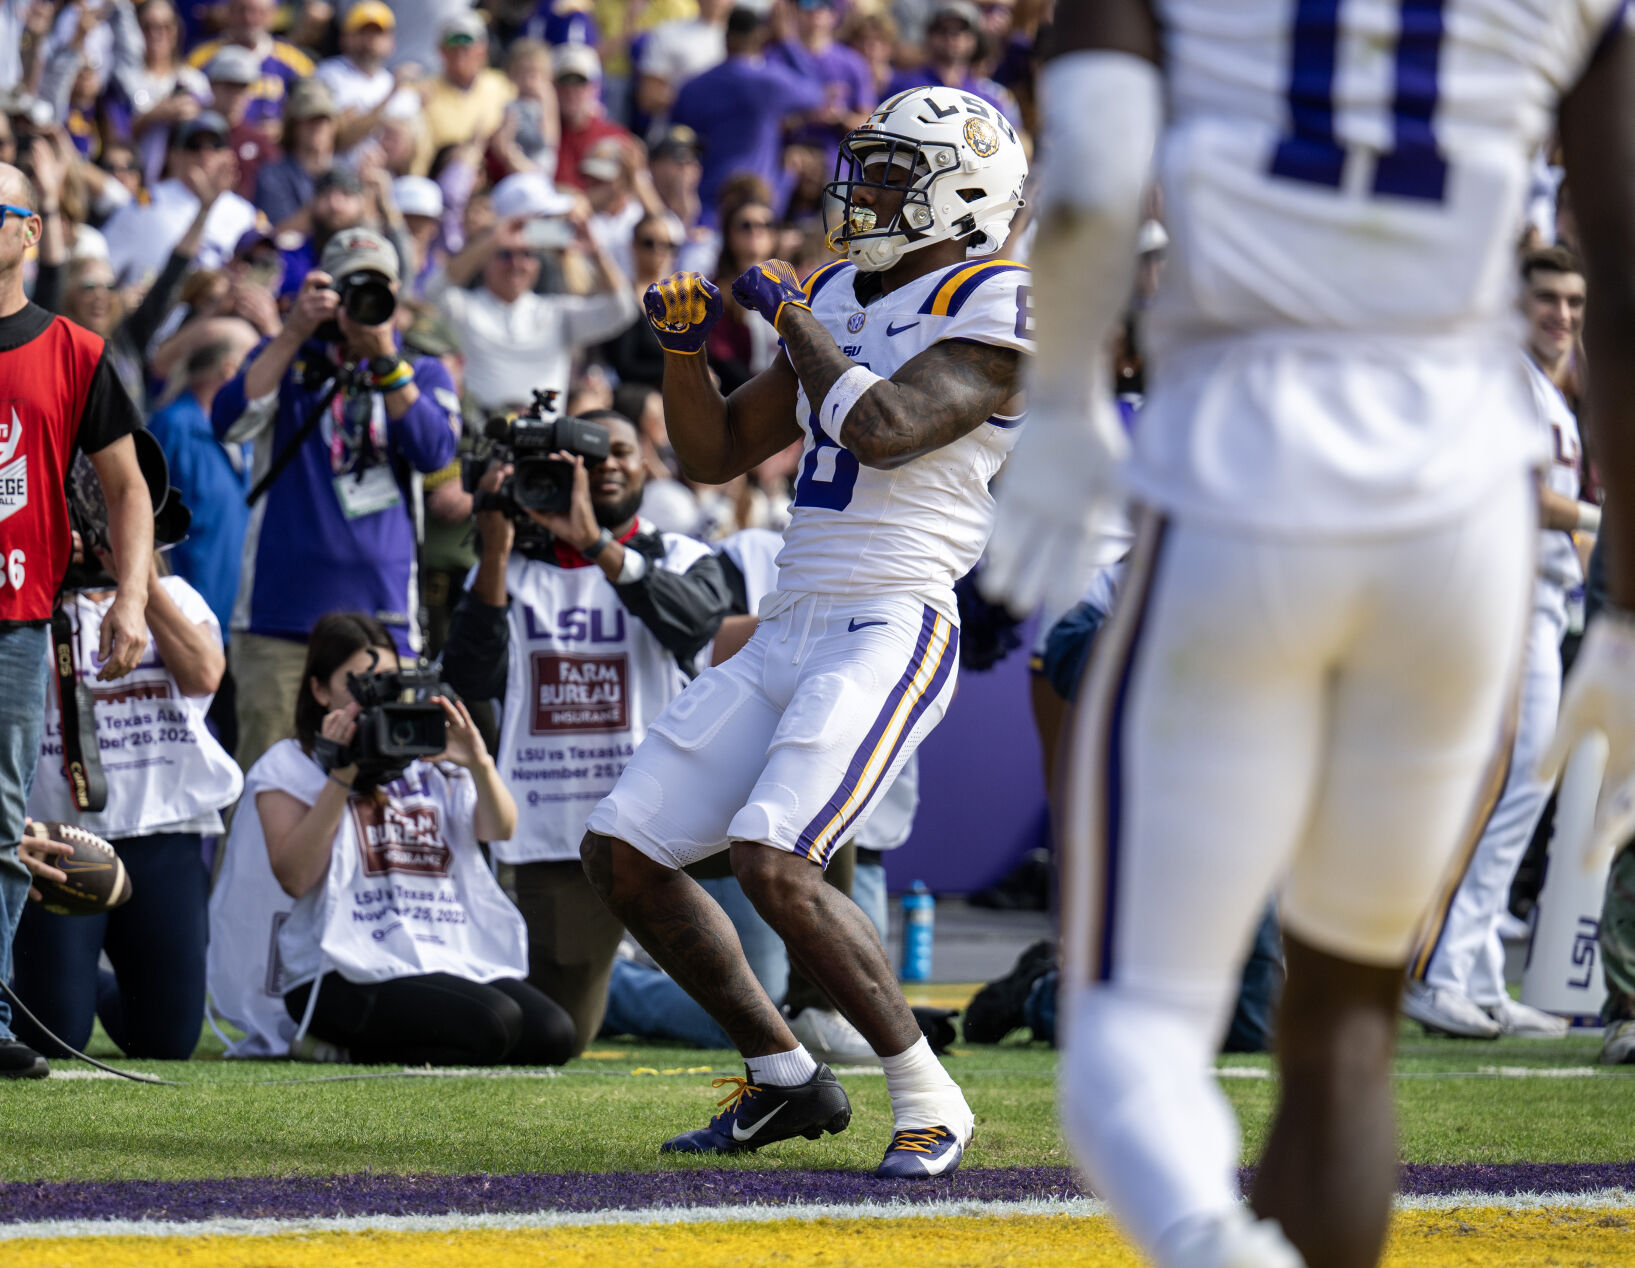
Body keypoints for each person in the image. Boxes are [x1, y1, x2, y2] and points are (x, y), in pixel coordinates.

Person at [979, 3, 1635, 1266]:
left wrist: (1061, 400)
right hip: (1464, 504)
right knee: (1343, 1035)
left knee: (1131, 1039)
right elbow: (1627, 266)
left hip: (1244, 462)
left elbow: (1098, 177)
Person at [581, 83, 1030, 1178]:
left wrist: (791, 316)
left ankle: (930, 1096)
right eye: (866, 168)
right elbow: (720, 452)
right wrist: (687, 350)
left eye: (891, 176)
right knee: (624, 850)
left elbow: (883, 428)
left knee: (776, 857)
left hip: (894, 610)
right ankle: (784, 1077)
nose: (863, 192)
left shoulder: (1002, 298)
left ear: (964, 196)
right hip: (791, 612)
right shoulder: (839, 285)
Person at [441, 408, 730, 1052]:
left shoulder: (679, 552)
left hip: (677, 809)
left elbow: (696, 627)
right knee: (563, 1034)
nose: (607, 466)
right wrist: (493, 551)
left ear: (645, 463)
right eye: (588, 458)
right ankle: (623, 980)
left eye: (620, 450)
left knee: (805, 830)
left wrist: (598, 544)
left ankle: (817, 1004)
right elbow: (467, 679)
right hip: (561, 823)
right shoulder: (507, 567)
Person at [1405, 247, 1596, 1041]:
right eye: (1548, 298)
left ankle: (1476, 972)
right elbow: (1516, 492)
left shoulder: (1548, 392)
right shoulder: (1501, 377)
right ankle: (1435, 971)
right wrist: (1597, 522)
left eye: (1574, 303)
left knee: (1522, 790)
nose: (1562, 315)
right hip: (1503, 595)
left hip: (1543, 600)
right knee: (1502, 785)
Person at [244, 611, 576, 1067]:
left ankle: (364, 1049)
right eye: (358, 685)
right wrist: (342, 774)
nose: (375, 698)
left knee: (554, 1036)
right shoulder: (290, 764)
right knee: (495, 1023)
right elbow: (295, 877)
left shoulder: (424, 750)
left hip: (438, 951)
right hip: (338, 971)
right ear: (319, 691)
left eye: (384, 682)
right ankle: (336, 1047)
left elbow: (499, 829)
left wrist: (478, 763)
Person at [0, 162, 154, 1078]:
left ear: (27, 233)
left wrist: (131, 597)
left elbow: (128, 489)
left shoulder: (76, 351)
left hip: (14, 621)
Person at [211, 227, 460, 771]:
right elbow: (230, 420)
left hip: (383, 619)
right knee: (269, 780)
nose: (362, 302)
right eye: (349, 287)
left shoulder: (421, 371)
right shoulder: (290, 358)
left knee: (381, 783)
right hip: (281, 619)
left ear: (396, 291)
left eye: (375, 288)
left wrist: (386, 360)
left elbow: (436, 451)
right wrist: (292, 331)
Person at [12, 542, 239, 1061]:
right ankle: (63, 973)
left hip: (164, 826)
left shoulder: (179, 595)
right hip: (58, 834)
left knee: (165, 1040)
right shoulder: (22, 599)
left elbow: (205, 674)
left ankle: (81, 971)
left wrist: (139, 583)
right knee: (56, 1037)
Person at [427, 173, 638, 417]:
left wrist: (596, 252)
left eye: (527, 254)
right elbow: (433, 293)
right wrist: (493, 240)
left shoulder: (556, 312)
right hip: (483, 439)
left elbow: (623, 310)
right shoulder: (465, 308)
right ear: (487, 258)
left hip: (544, 444)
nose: (516, 264)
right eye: (505, 254)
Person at [671, 7, 826, 229]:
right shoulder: (768, 82)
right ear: (759, 37)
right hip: (757, 207)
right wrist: (788, 41)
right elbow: (816, 93)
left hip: (704, 208)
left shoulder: (693, 87)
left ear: (726, 37)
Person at [102, 111, 258, 283]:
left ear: (229, 155)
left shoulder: (244, 212)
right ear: (174, 156)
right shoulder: (145, 204)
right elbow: (105, 271)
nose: (205, 154)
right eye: (194, 145)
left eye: (215, 145)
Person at [185, 0, 315, 124]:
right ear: (228, 12)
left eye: (257, 12)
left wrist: (285, 129)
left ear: (272, 15)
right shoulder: (200, 58)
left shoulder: (295, 61)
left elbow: (312, 106)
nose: (248, 18)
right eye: (241, 10)